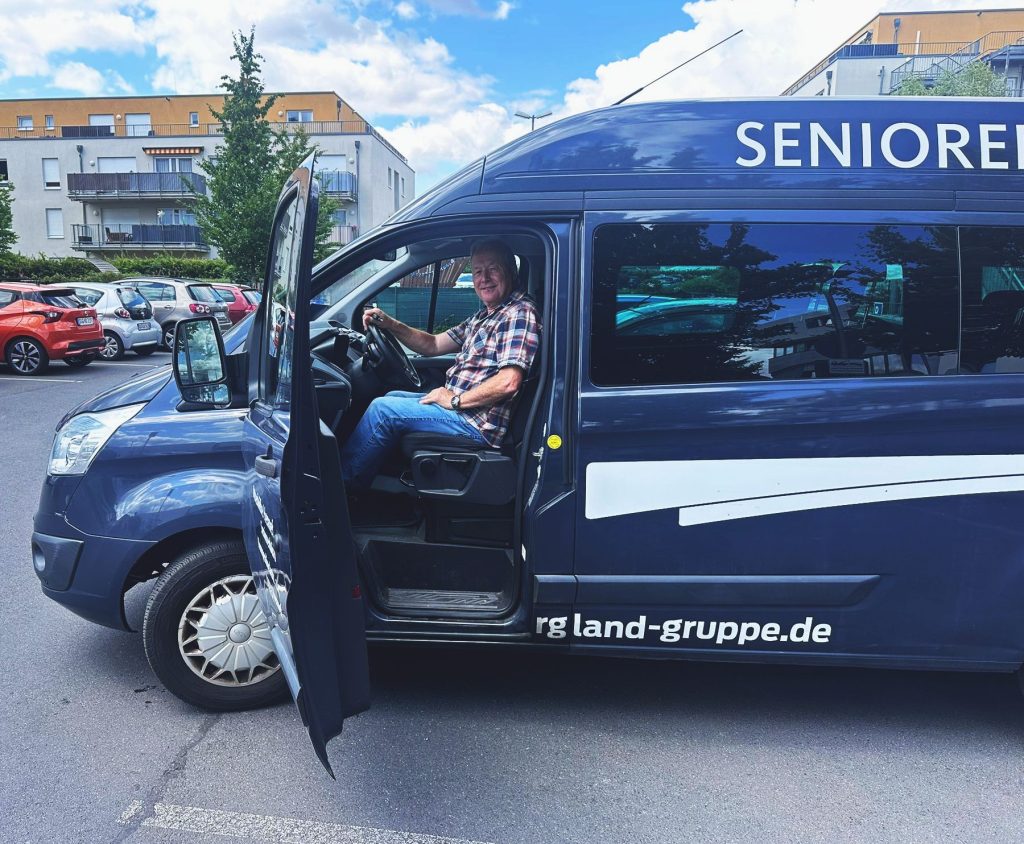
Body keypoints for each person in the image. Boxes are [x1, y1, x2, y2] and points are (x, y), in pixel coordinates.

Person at [340, 239, 541, 488]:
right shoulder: (486, 316)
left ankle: (344, 487)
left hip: (476, 422)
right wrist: (390, 324)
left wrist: (455, 400)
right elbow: (433, 344)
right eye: (478, 271)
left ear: (511, 271)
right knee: (391, 396)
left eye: (493, 269)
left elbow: (509, 381)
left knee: (383, 410)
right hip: (465, 410)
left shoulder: (518, 313)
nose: (484, 278)